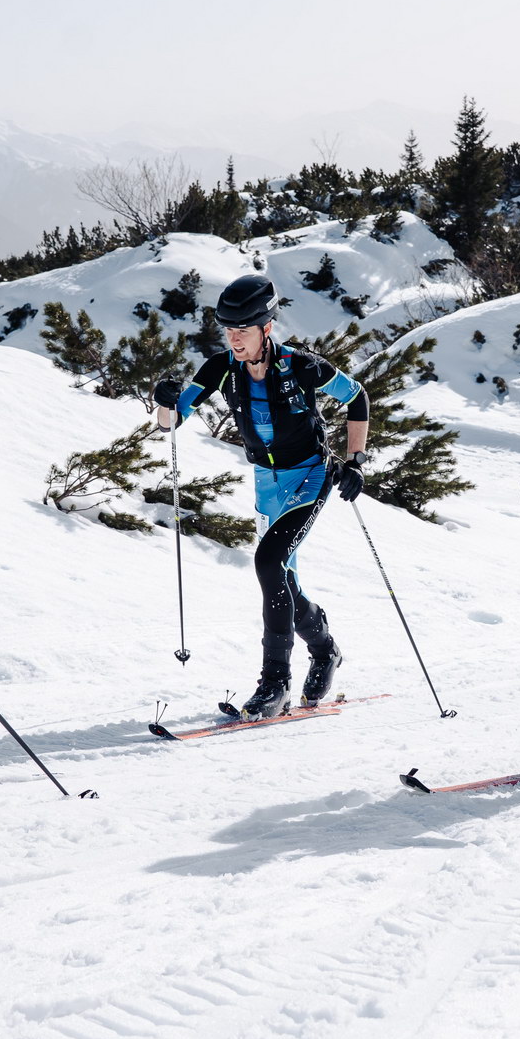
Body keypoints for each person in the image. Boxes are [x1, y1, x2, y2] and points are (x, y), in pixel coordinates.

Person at [152, 274, 370, 718]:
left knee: (268, 563)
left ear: (266, 328)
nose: (234, 338)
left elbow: (357, 397)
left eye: (243, 329)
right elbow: (170, 422)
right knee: (283, 580)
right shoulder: (219, 369)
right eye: (228, 330)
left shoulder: (301, 365)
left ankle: (275, 683)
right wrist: (164, 400)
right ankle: (325, 649)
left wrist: (355, 461)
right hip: (266, 484)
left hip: (310, 476)